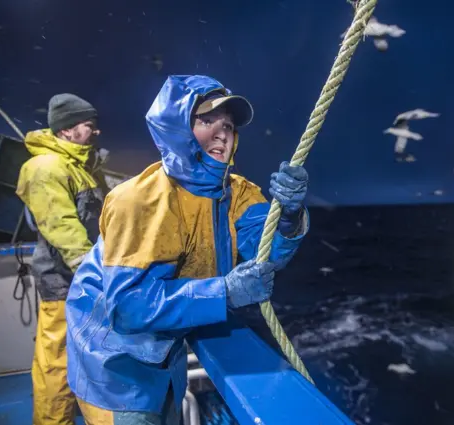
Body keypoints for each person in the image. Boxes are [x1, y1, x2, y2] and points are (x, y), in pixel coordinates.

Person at [65, 75, 310, 424]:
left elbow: (267, 249)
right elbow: (130, 308)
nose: (222, 133)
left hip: (165, 350)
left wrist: (289, 217)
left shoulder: (236, 192)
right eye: (206, 120)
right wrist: (224, 291)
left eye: (228, 125)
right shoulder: (137, 201)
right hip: (111, 361)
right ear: (175, 126)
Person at [16, 93, 109, 425]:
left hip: (84, 284)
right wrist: (91, 271)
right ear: (67, 129)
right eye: (89, 125)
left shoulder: (77, 167)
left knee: (89, 358)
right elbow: (61, 224)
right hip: (64, 284)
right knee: (56, 364)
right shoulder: (45, 167)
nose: (95, 132)